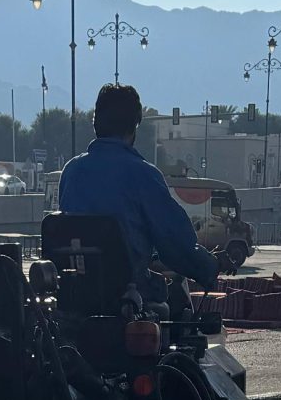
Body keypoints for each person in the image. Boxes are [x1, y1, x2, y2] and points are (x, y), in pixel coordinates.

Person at [57, 83, 219, 294]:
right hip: (127, 297)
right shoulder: (144, 175)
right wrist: (210, 266)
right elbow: (176, 245)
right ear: (134, 127)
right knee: (177, 301)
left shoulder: (71, 172)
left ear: (95, 124)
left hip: (74, 296)